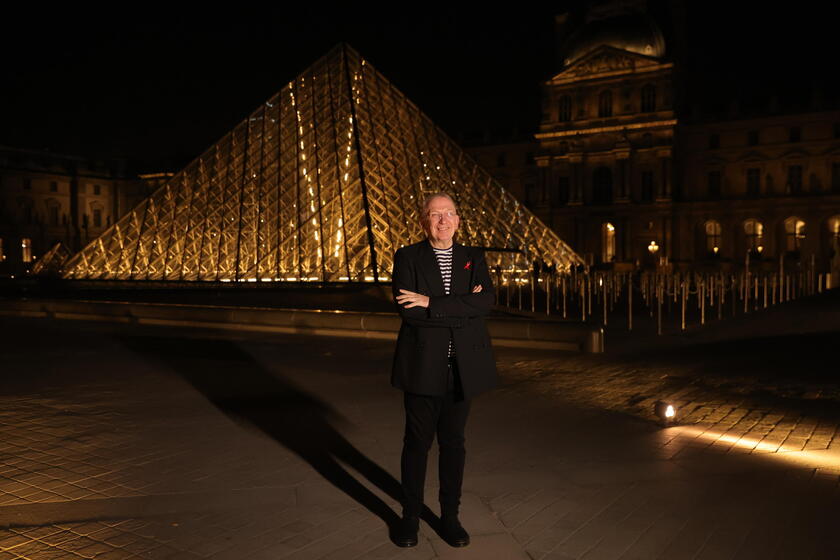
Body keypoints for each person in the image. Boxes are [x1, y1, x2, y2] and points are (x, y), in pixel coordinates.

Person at [390, 192, 498, 547]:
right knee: (416, 444)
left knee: (454, 445)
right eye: (434, 214)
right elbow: (410, 312)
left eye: (448, 213)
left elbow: (486, 302)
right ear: (424, 221)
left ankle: (450, 516)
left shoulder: (473, 257)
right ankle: (409, 518)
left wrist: (433, 302)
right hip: (423, 366)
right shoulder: (407, 257)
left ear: (458, 220)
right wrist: (461, 309)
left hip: (462, 369)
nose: (442, 220)